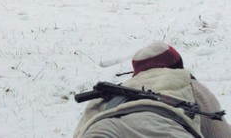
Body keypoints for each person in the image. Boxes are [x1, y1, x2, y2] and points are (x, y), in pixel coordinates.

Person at [74, 42, 231, 137]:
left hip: (106, 127)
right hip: (162, 128)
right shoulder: (187, 82)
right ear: (178, 65)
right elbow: (221, 134)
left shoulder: (114, 91)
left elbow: (84, 127)